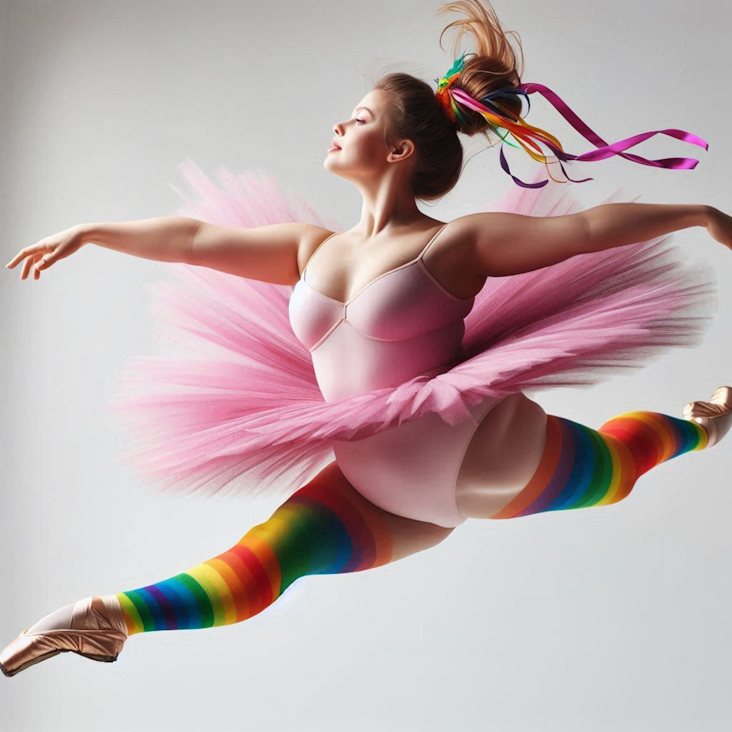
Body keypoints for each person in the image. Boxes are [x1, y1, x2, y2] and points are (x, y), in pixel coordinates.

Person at [2, 0, 730, 678]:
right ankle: (108, 618)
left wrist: (695, 213)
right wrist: (91, 232)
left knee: (613, 472)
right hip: (380, 488)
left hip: (471, 449)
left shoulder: (456, 244)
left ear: (400, 148)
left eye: (357, 119)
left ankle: (702, 425)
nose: (339, 128)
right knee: (265, 561)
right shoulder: (309, 249)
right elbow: (194, 238)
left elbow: (583, 232)